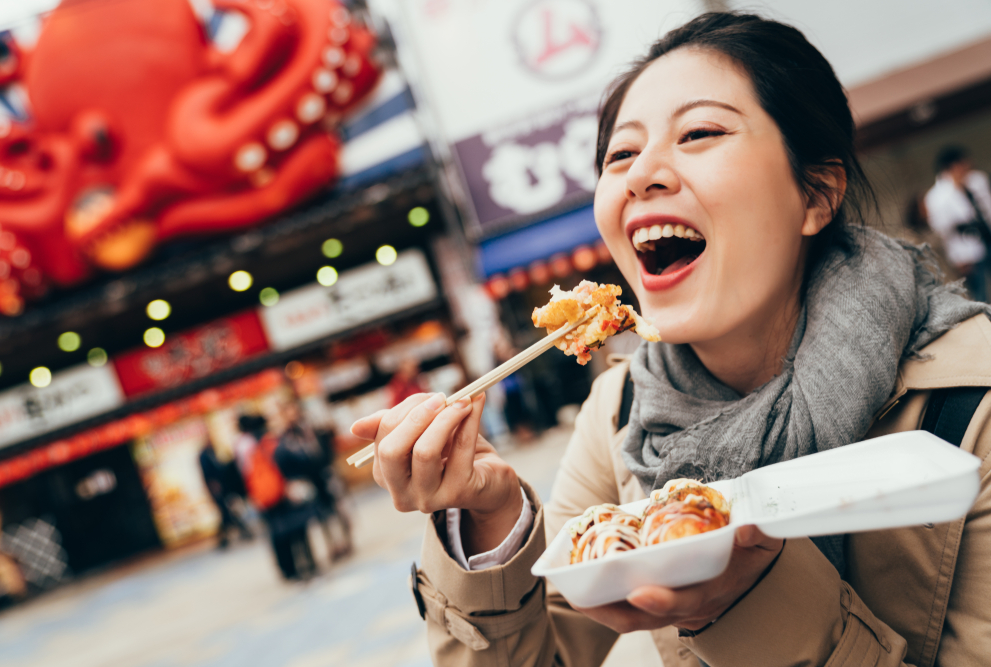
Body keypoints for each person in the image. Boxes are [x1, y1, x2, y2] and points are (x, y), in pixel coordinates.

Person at [351, 12, 991, 667]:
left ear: (816, 194)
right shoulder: (622, 409)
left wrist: (743, 601)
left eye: (700, 132)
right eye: (620, 154)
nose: (641, 175)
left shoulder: (974, 406)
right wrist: (490, 518)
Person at [237, 414, 316, 581]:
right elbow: (297, 461)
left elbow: (245, 474)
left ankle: (290, 570)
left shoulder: (249, 448)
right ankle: (308, 566)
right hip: (286, 494)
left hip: (266, 498)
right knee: (299, 532)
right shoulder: (274, 443)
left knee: (279, 536)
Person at [278, 402, 353, 560]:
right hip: (311, 480)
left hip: (325, 474)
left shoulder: (312, 428)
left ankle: (346, 540)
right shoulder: (287, 437)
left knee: (339, 510)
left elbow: (326, 447)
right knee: (322, 516)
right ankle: (333, 545)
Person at [924, 145, 991, 302]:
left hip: (987, 235)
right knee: (980, 293)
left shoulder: (977, 180)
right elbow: (943, 232)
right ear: (951, 166)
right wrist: (959, 258)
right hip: (968, 250)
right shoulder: (936, 197)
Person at [198, 441, 254, 549]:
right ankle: (234, 536)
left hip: (221, 489)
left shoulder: (212, 454)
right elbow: (209, 473)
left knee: (226, 514)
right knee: (226, 515)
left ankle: (227, 539)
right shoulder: (205, 456)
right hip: (217, 490)